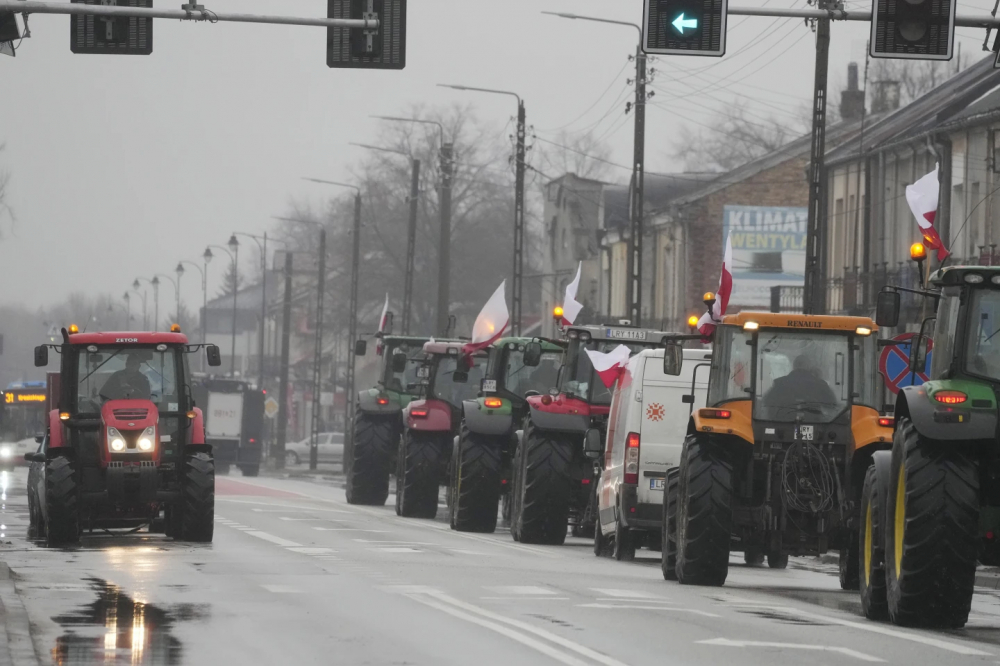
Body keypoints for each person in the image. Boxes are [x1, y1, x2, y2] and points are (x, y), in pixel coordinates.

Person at [764, 353, 836, 410]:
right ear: (808, 367)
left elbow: (767, 404)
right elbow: (832, 406)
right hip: (818, 426)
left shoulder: (779, 383)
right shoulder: (821, 384)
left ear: (793, 366)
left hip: (783, 425)